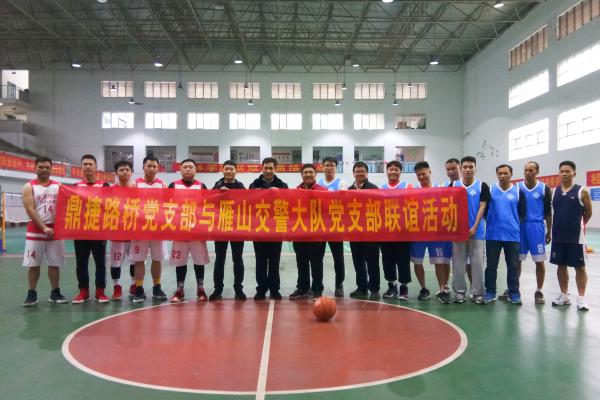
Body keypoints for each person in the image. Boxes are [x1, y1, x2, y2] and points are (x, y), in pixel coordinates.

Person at [21, 156, 67, 307]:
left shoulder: (59, 186)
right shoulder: (29, 186)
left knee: (55, 263)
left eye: (47, 167)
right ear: (35, 168)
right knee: (33, 264)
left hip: (55, 231)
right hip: (36, 231)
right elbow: (30, 210)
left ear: (51, 169)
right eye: (41, 167)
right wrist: (44, 227)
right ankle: (31, 293)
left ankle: (55, 292)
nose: (44, 169)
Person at [550, 161, 593, 311]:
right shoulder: (554, 191)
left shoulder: (582, 191)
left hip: (576, 238)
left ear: (574, 173)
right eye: (562, 171)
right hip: (558, 236)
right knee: (561, 266)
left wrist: (578, 225)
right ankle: (564, 295)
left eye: (567, 171)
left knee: (579, 267)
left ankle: (581, 298)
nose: (564, 174)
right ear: (559, 173)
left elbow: (588, 212)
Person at [483, 164, 527, 305]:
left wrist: (514, 224)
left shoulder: (518, 191)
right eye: (500, 173)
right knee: (491, 266)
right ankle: (490, 291)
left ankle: (514, 293)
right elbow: (484, 210)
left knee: (513, 266)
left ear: (511, 174)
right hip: (493, 235)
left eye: (505, 173)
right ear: (497, 174)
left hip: (512, 235)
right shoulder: (490, 189)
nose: (502, 176)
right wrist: (491, 222)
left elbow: (522, 212)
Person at [168, 159, 210, 302]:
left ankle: (200, 289)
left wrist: (204, 229)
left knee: (199, 261)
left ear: (195, 170)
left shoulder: (202, 186)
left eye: (190, 167)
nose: (187, 169)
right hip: (179, 231)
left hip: (197, 231)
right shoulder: (173, 185)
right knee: (180, 262)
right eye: (185, 167)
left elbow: (208, 207)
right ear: (180, 169)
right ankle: (180, 289)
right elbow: (166, 206)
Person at [411, 161, 453, 303]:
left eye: (423, 174)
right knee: (417, 262)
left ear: (430, 172)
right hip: (418, 233)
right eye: (418, 175)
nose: (421, 177)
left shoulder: (441, 189)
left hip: (436, 233)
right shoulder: (413, 191)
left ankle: (442, 289)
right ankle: (423, 288)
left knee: (439, 262)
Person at [72, 154, 111, 304]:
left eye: (90, 164)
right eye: (85, 164)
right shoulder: (75, 187)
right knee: (81, 263)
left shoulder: (104, 186)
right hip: (80, 232)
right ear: (81, 167)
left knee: (100, 263)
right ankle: (83, 291)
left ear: (96, 167)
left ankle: (100, 291)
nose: (88, 167)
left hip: (98, 231)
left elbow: (110, 206)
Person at [450, 156, 490, 304]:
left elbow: (482, 207)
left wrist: (474, 227)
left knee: (477, 263)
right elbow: (449, 207)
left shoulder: (482, 186)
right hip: (458, 232)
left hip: (477, 232)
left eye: (471, 167)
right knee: (458, 263)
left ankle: (477, 292)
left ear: (475, 168)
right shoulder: (453, 185)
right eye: (465, 167)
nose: (468, 169)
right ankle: (460, 292)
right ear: (461, 168)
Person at [129, 156, 168, 303]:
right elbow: (128, 207)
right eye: (149, 166)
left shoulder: (162, 185)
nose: (151, 169)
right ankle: (139, 289)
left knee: (157, 259)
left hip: (157, 229)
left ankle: (157, 287)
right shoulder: (135, 185)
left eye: (154, 166)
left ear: (158, 168)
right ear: (143, 167)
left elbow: (168, 206)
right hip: (140, 229)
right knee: (139, 260)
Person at [249, 157, 288, 300]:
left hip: (276, 229)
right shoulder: (253, 185)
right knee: (260, 261)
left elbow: (289, 203)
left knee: (274, 262)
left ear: (275, 169)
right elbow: (249, 203)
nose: (268, 170)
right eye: (266, 168)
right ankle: (261, 290)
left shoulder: (283, 185)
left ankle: (274, 289)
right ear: (262, 168)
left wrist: (280, 193)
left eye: (271, 168)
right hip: (259, 229)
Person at [210, 160, 247, 301]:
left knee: (238, 259)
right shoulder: (216, 186)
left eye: (231, 169)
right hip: (221, 227)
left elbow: (247, 204)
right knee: (220, 259)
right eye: (226, 169)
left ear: (236, 171)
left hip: (237, 228)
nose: (229, 171)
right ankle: (217, 289)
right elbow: (208, 203)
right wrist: (218, 194)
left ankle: (239, 289)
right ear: (223, 170)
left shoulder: (241, 187)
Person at [290, 164, 327, 299]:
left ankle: (317, 289)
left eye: (311, 172)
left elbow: (327, 211)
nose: (308, 174)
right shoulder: (295, 192)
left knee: (316, 263)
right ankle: (302, 288)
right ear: (301, 175)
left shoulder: (323, 191)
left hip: (317, 234)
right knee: (301, 263)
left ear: (315, 174)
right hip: (299, 233)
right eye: (305, 172)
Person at [517, 161, 552, 304]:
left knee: (539, 261)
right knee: (517, 260)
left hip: (537, 228)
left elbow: (548, 212)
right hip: (520, 227)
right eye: (526, 170)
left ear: (537, 171)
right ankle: (514, 289)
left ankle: (539, 290)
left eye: (531, 170)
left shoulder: (544, 188)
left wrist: (549, 231)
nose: (528, 172)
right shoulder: (517, 187)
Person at [379, 161, 413, 300]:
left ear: (400, 172)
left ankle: (403, 287)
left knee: (403, 260)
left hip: (403, 232)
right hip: (386, 231)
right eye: (391, 169)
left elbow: (414, 206)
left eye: (396, 169)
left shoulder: (408, 186)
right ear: (387, 171)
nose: (393, 172)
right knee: (387, 260)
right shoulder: (381, 188)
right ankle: (391, 285)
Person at [348, 161, 381, 300]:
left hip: (370, 232)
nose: (360, 173)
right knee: (358, 262)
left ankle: (374, 289)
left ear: (367, 173)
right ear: (353, 173)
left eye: (362, 171)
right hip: (354, 231)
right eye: (357, 171)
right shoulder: (348, 190)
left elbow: (380, 208)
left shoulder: (374, 188)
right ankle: (361, 288)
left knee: (372, 262)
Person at [316, 157, 346, 297]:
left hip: (335, 226)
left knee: (338, 258)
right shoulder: (318, 183)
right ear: (322, 167)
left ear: (336, 168)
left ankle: (339, 284)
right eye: (327, 165)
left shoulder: (341, 183)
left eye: (332, 165)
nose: (329, 167)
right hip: (320, 226)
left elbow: (344, 200)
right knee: (317, 258)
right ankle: (318, 285)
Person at [108, 159, 135, 301]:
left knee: (135, 261)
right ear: (116, 173)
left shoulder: (137, 189)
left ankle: (134, 284)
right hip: (117, 233)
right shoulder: (109, 190)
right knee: (116, 262)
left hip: (134, 232)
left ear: (131, 172)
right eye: (121, 170)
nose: (124, 172)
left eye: (127, 170)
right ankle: (117, 286)